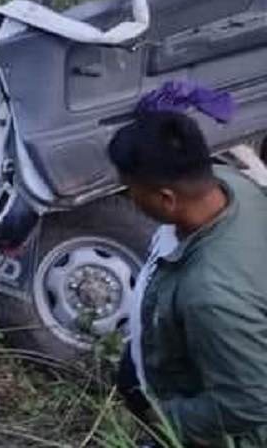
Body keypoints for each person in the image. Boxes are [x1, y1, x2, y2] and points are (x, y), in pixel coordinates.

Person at [108, 111, 267, 446]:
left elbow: (248, 403)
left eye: (131, 189)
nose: (129, 198)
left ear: (167, 199)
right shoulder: (230, 184)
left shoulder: (211, 296)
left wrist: (166, 418)